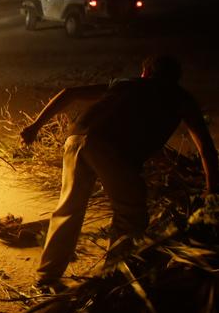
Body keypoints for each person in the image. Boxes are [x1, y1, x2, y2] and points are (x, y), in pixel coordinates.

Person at [20, 55, 218, 293]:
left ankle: (46, 277)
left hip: (77, 138)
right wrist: (211, 192)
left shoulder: (126, 84)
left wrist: (35, 126)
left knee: (69, 208)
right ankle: (112, 280)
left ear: (145, 72)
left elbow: (70, 92)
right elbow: (206, 148)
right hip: (108, 146)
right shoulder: (181, 98)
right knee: (131, 215)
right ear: (175, 78)